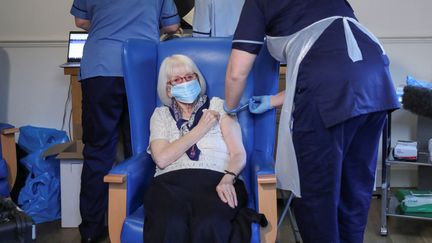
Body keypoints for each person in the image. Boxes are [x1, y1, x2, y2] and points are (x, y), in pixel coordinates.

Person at [223, 1, 400, 242]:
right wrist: (274, 100)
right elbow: (336, 59)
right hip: (376, 80)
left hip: (331, 94)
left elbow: (237, 71)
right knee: (354, 190)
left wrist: (228, 109)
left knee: (317, 196)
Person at [70, 1, 180, 242]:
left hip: (100, 66)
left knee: (98, 152)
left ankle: (92, 231)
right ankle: (139, 224)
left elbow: (80, 21)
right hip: (140, 66)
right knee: (141, 149)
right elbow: (172, 26)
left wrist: (108, 25)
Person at [144, 54, 261, 243]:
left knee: (211, 223)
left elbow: (239, 153)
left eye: (189, 77)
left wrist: (228, 179)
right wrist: (201, 128)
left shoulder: (220, 106)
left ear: (198, 79)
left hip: (217, 181)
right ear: (169, 89)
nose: (185, 82)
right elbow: (162, 159)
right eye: (177, 80)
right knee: (171, 224)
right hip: (170, 185)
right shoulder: (161, 115)